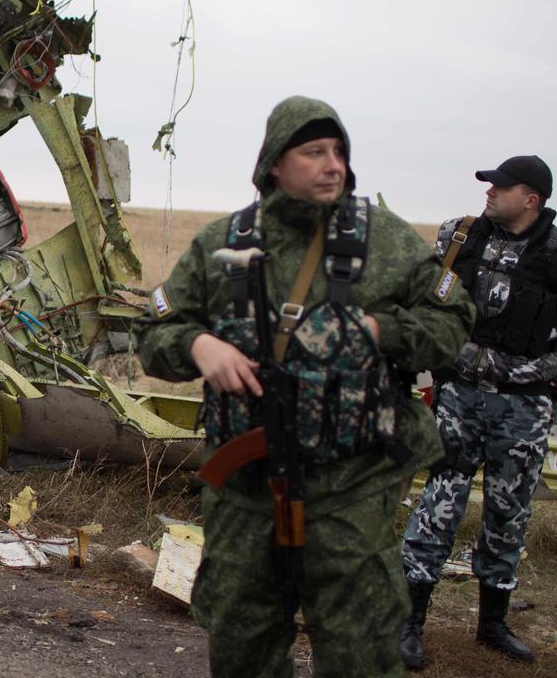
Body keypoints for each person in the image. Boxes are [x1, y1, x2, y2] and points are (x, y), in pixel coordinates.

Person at [133, 96, 474, 677]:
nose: (333, 165)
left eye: (339, 151)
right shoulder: (223, 243)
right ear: (274, 163)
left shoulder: (385, 241)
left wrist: (381, 329)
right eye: (314, 152)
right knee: (243, 644)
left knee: (360, 648)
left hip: (352, 488)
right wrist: (198, 345)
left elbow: (454, 320)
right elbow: (153, 331)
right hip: (244, 491)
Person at [400, 155, 556, 667]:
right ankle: (409, 623)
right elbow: (425, 305)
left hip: (525, 407)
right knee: (437, 506)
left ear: (531, 199)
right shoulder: (459, 236)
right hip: (458, 398)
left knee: (509, 513)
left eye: (501, 186)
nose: (488, 192)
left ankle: (492, 624)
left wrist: (506, 369)